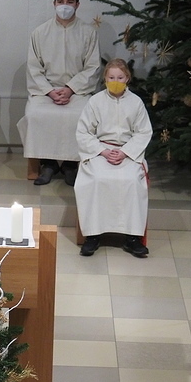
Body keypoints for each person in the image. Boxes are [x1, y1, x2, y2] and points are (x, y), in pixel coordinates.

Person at [18, 0, 101, 186]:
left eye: (70, 2)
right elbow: (33, 68)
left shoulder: (88, 32)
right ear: (54, 3)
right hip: (46, 91)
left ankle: (71, 165)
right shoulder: (40, 32)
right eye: (60, 1)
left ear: (77, 4)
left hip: (77, 91)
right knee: (35, 114)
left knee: (80, 116)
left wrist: (70, 89)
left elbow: (92, 67)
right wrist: (50, 91)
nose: (65, 6)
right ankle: (48, 164)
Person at [74, 58, 152, 258]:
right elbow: (83, 132)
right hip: (101, 150)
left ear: (127, 78)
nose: (115, 81)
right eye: (111, 77)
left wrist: (125, 152)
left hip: (128, 151)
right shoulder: (95, 101)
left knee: (132, 180)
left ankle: (132, 238)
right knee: (95, 179)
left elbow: (143, 132)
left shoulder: (136, 102)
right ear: (105, 79)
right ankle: (92, 235)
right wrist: (103, 151)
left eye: (120, 77)